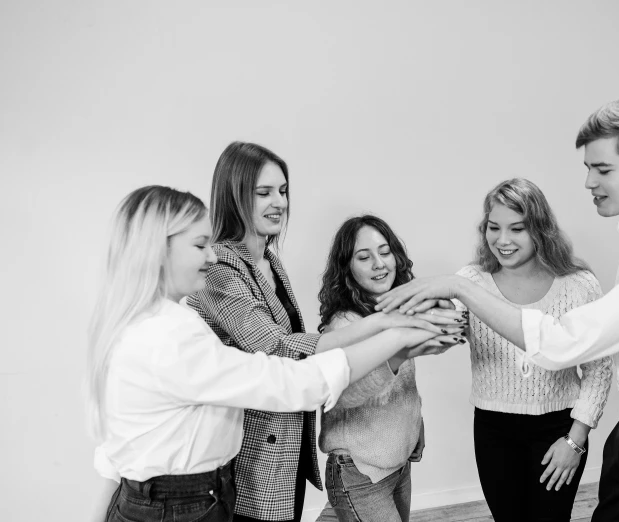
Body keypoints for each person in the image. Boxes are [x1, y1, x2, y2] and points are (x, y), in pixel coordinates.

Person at [375, 99, 619, 522]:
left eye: (602, 169)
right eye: (588, 168)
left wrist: (457, 287)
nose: (588, 182)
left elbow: (566, 343)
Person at [87, 186, 447, 522]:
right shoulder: (168, 336)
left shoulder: (155, 321)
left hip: (187, 496)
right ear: (158, 251)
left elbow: (111, 450)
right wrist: (398, 336)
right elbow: (287, 381)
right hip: (183, 503)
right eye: (200, 246)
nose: (213, 257)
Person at [187, 142, 464, 522]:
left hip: (288, 448)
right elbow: (277, 347)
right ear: (234, 195)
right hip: (253, 454)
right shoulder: (220, 268)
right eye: (263, 192)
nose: (279, 202)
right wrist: (389, 327)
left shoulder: (269, 261)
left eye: (283, 191)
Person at [450, 178, 612, 521]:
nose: (502, 240)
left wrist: (575, 440)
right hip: (494, 430)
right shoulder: (470, 283)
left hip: (560, 428)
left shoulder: (579, 285)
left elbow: (599, 368)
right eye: (494, 227)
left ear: (540, 230)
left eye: (517, 229)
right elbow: (445, 329)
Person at [317, 215, 466, 522]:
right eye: (364, 257)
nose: (379, 264)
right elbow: (341, 396)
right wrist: (396, 355)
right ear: (347, 268)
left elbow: (403, 384)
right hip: (359, 474)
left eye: (384, 252)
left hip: (398, 467)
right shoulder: (345, 325)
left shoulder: (397, 310)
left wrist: (416, 424)